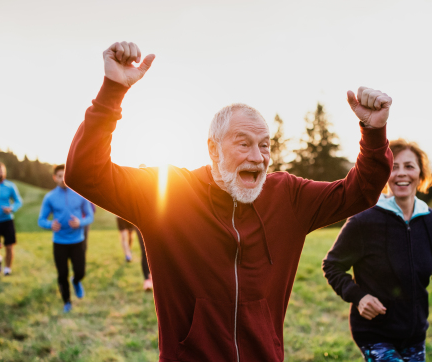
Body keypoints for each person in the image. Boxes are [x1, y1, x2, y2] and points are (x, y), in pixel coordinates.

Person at [65, 41, 393, 361]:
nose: (257, 157)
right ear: (213, 149)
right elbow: (85, 173)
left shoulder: (288, 196)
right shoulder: (166, 193)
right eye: (243, 143)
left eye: (265, 145)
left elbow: (361, 191)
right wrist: (113, 90)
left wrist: (373, 132)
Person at [322, 139, 432, 362]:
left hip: (414, 335)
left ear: (421, 174)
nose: (402, 173)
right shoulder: (364, 220)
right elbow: (332, 265)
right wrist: (359, 296)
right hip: (374, 334)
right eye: (393, 167)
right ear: (384, 174)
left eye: (409, 166)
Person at [38, 164, 94, 313]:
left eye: (65, 175)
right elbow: (41, 220)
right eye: (59, 176)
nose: (62, 179)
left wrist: (80, 222)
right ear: (54, 178)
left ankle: (76, 281)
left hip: (77, 241)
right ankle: (67, 302)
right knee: (62, 274)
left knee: (80, 272)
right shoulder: (50, 197)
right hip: (59, 242)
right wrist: (50, 225)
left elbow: (90, 216)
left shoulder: (80, 194)